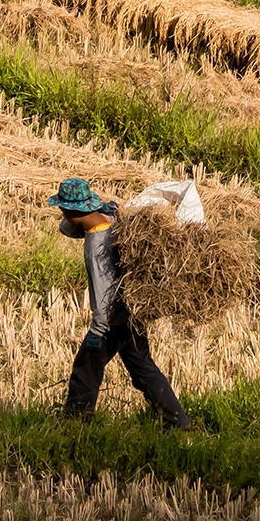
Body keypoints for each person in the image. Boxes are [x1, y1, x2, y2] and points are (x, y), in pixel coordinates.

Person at [47, 177, 192, 431]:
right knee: (144, 370)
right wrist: (89, 210)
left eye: (62, 209)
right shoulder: (111, 221)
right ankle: (177, 422)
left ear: (71, 211)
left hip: (112, 320)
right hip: (131, 312)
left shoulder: (96, 246)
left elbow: (105, 294)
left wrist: (97, 331)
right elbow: (67, 228)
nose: (61, 213)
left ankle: (74, 426)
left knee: (86, 370)